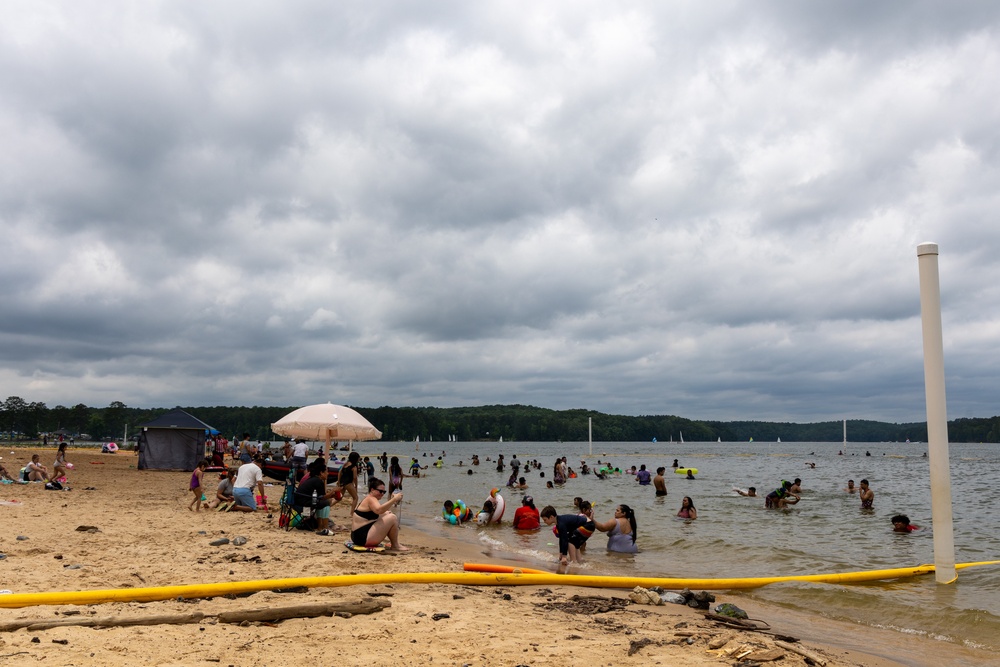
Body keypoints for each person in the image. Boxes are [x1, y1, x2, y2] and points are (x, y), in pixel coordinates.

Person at [351, 477, 407, 550]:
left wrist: (386, 513)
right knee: (392, 517)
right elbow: (379, 510)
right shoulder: (371, 499)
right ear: (372, 490)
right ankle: (395, 545)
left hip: (356, 537)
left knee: (388, 513)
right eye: (380, 491)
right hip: (363, 537)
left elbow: (376, 513)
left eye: (384, 492)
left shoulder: (367, 499)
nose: (382, 494)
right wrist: (394, 499)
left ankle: (395, 543)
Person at [295, 459, 343, 535]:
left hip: (300, 499)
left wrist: (333, 495)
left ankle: (321, 526)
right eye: (326, 472)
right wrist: (333, 491)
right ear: (321, 473)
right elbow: (323, 497)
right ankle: (325, 526)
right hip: (303, 502)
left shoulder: (314, 479)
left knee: (322, 503)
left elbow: (320, 496)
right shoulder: (318, 481)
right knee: (325, 503)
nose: (328, 473)